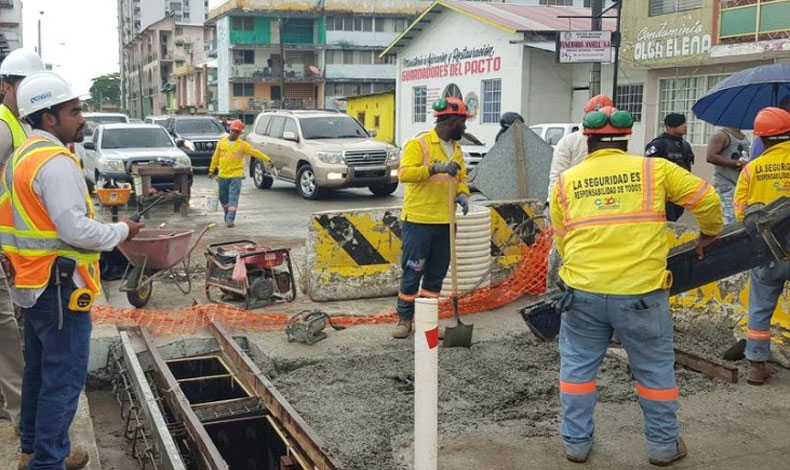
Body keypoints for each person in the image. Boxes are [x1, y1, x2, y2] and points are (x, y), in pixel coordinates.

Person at [550, 106, 722, 466]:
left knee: (577, 371)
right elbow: (707, 198)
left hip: (583, 293)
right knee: (654, 371)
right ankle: (663, 447)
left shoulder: (566, 181)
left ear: (587, 138)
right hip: (642, 293)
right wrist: (708, 233)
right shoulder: (654, 169)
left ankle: (575, 445)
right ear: (627, 140)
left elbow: (563, 240)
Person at [0, 70, 143, 470]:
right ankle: (47, 461)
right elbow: (75, 230)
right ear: (49, 118)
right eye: (74, 110)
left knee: (39, 371)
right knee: (63, 379)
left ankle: (36, 446)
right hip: (60, 287)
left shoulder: (21, 157)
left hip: (33, 283)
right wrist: (121, 230)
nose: (82, 118)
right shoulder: (56, 163)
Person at [393, 97, 470, 339]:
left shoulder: (457, 150)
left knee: (436, 276)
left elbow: (462, 179)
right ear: (452, 121)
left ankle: (426, 323)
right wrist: (435, 168)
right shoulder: (420, 144)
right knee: (413, 271)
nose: (465, 128)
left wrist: (462, 194)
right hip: (419, 221)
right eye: (464, 123)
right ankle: (404, 320)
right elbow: (404, 174)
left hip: (446, 222)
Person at [0, 48, 44, 432]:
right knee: (5, 330)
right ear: (6, 87)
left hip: (9, 245)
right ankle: (21, 418)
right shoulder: (2, 126)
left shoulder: (19, 124)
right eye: (24, 86)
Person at [733, 107, 790, 386]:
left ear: (761, 140)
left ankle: (756, 365)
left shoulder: (751, 170)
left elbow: (740, 211)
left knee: (760, 307)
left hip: (768, 249)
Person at [546, 94, 614, 289]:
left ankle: (570, 288)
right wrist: (552, 205)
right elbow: (556, 177)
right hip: (575, 206)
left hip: (593, 206)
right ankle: (555, 289)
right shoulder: (570, 142)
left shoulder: (608, 142)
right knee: (563, 251)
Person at [209, 119, 271, 227]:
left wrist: (268, 160)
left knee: (233, 197)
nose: (234, 133)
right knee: (223, 198)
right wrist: (211, 170)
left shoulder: (242, 145)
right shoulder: (221, 143)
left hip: (235, 176)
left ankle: (230, 219)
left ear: (239, 133)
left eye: (237, 132)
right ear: (230, 130)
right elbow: (216, 157)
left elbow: (255, 152)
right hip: (222, 175)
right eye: (233, 130)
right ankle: (227, 214)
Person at [645, 113, 696, 221]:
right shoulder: (658, 145)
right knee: (667, 220)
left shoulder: (685, 145)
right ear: (669, 126)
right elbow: (648, 167)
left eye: (684, 123)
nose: (685, 126)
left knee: (675, 218)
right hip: (664, 192)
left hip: (680, 190)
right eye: (681, 124)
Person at [706, 127, 750, 224]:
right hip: (725, 185)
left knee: (740, 219)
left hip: (739, 185)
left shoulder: (743, 137)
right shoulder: (722, 135)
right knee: (730, 221)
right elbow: (710, 156)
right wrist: (737, 163)